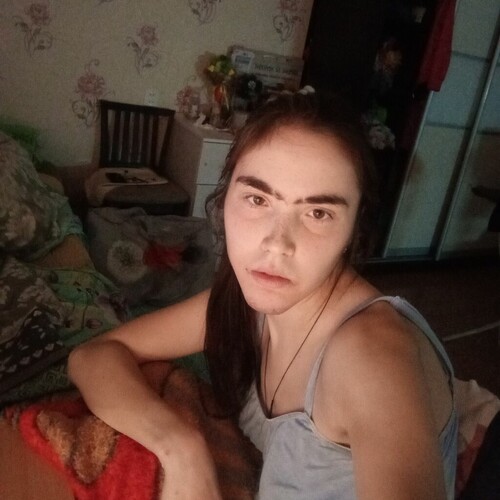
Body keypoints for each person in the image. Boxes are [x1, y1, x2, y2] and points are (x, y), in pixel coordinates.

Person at [68, 91, 457, 499]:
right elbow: (93, 356)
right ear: (225, 199)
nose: (276, 245)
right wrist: (182, 452)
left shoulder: (370, 356)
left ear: (353, 230)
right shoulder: (245, 303)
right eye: (257, 199)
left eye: (318, 213)